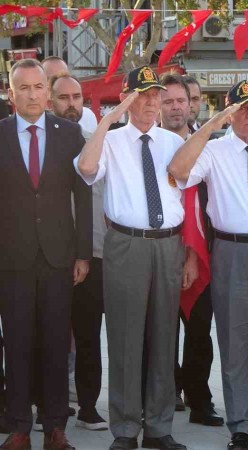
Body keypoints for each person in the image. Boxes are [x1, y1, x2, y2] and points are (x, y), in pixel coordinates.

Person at [168, 80, 248, 450]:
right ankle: (240, 423)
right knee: (234, 341)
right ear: (229, 112)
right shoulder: (213, 150)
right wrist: (212, 125)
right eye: (242, 108)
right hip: (232, 252)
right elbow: (178, 170)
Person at [75, 66, 194, 450]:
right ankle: (125, 429)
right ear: (127, 99)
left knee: (164, 337)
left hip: (168, 243)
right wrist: (108, 118)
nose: (151, 102)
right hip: (126, 244)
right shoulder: (109, 140)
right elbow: (86, 168)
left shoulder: (172, 141)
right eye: (142, 95)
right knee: (125, 338)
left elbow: (189, 193)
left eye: (155, 94)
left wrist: (189, 252)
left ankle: (159, 428)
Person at [0, 58, 91, 450]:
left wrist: (83, 253)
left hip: (59, 258)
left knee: (56, 343)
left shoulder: (69, 134)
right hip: (11, 260)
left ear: (47, 92)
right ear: (11, 94)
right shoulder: (0, 134)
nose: (32, 95)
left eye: (38, 87)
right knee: (17, 343)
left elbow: (83, 197)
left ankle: (55, 427)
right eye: (24, 88)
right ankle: (20, 427)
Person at [159, 74, 224, 427]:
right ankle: (165, 393)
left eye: (181, 101)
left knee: (199, 332)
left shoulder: (212, 146)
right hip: (159, 251)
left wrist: (197, 254)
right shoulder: (148, 144)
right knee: (161, 332)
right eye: (167, 101)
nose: (175, 107)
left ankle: (199, 399)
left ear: (191, 104)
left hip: (203, 252)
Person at [48, 72, 109, 432]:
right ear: (50, 102)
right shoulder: (38, 147)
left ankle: (88, 407)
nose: (71, 104)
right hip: (49, 257)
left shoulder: (96, 144)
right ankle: (50, 407)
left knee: (88, 336)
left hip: (94, 256)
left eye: (76, 97)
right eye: (63, 98)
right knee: (50, 336)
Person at [41, 56, 98, 134]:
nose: (59, 82)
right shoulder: (33, 121)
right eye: (51, 79)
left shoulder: (87, 115)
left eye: (63, 76)